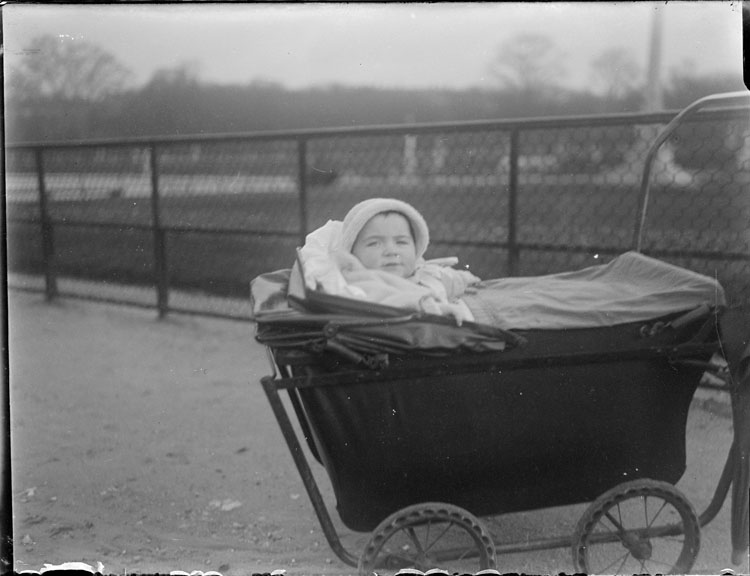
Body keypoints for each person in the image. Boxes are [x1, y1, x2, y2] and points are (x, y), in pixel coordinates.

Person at [298, 197, 480, 324]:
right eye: (374, 243)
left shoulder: (420, 271)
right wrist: (428, 307)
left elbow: (440, 278)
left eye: (401, 242)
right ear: (353, 253)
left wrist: (462, 279)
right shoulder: (361, 279)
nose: (391, 251)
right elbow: (386, 298)